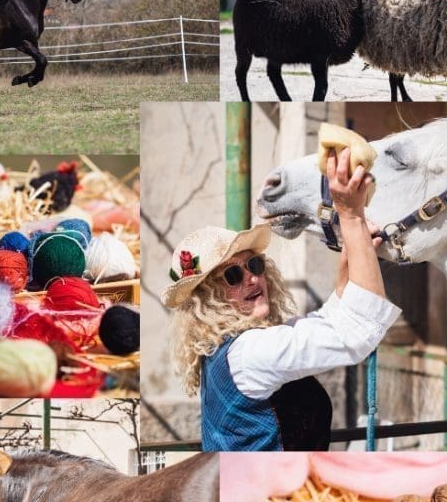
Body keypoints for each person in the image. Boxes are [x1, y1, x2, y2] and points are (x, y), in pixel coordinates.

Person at [165, 147, 402, 452]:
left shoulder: (230, 349)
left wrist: (353, 255)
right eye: (233, 276)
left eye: (254, 264)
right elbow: (356, 332)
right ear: (210, 301)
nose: (252, 277)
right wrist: (351, 216)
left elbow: (329, 321)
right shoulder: (250, 353)